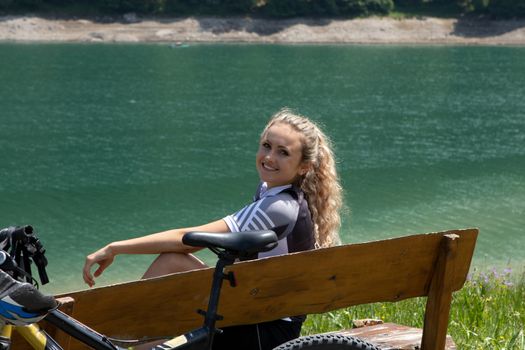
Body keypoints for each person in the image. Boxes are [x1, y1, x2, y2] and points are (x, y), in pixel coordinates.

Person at [82, 108, 343, 350]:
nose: (269, 157)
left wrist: (116, 247)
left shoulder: (279, 207)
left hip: (262, 331)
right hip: (257, 311)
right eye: (266, 146)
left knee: (171, 262)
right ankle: (131, 340)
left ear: (304, 166)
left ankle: (110, 338)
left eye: (283, 152)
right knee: (170, 278)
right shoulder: (276, 193)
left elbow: (186, 241)